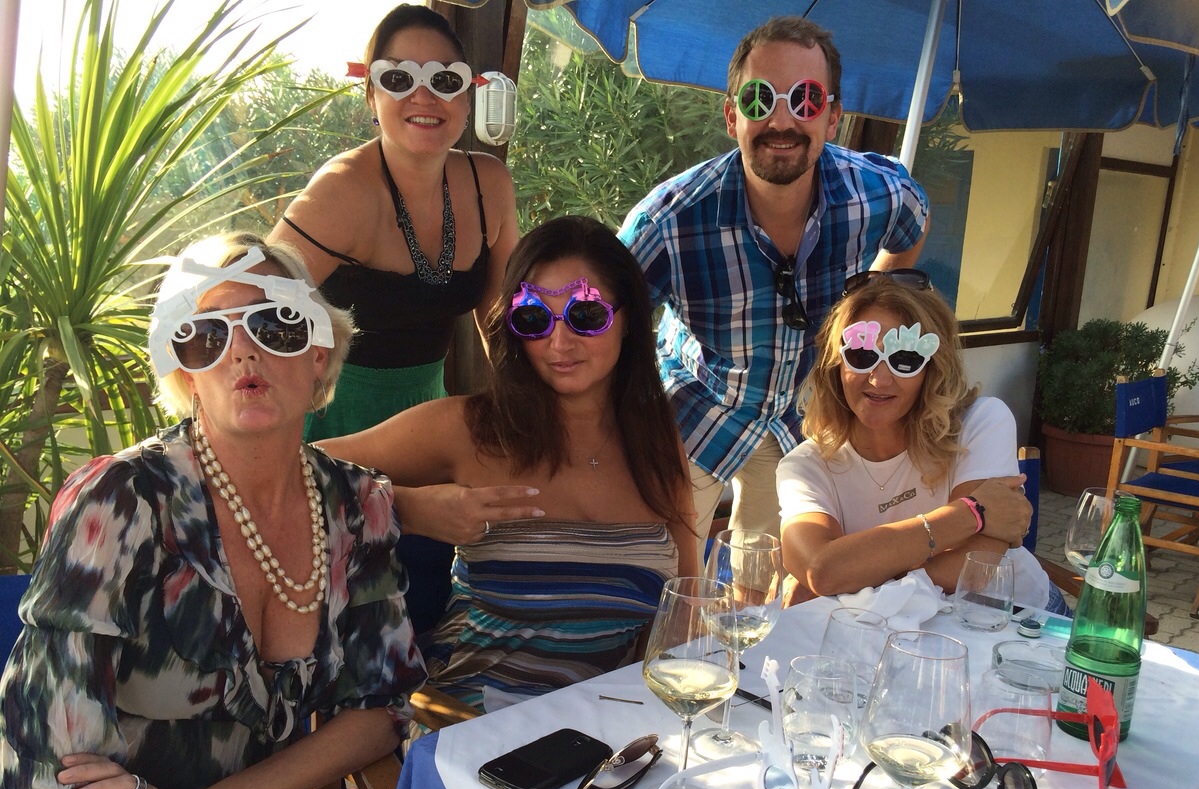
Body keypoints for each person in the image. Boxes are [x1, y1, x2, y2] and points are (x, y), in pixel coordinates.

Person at [0, 234, 428, 789]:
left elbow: (377, 713)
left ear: (320, 353)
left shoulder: (358, 505)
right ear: (184, 372)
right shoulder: (120, 501)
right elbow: (45, 783)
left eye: (276, 324)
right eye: (204, 335)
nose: (243, 352)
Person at [322, 216, 697, 713]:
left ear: (628, 318)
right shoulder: (470, 428)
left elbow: (684, 611)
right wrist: (405, 508)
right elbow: (289, 468)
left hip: (615, 736)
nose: (559, 344)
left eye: (585, 315)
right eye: (535, 318)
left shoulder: (656, 437)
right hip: (475, 726)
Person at [619, 15, 930, 543]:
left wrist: (869, 299)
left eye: (806, 100)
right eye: (760, 100)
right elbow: (602, 325)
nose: (782, 121)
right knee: (661, 577)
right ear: (730, 116)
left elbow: (912, 223)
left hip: (797, 418)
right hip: (693, 415)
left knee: (761, 589)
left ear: (833, 118)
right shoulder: (669, 221)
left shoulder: (876, 193)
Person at [268, 4, 525, 632]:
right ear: (370, 92)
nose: (423, 96)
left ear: (468, 95)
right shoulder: (342, 190)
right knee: (330, 629)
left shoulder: (488, 182)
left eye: (444, 79)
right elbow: (252, 311)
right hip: (330, 431)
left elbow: (505, 319)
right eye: (398, 77)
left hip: (429, 425)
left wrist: (536, 412)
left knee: (418, 619)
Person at [775, 270, 1063, 614]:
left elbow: (975, 567)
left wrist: (852, 577)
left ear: (932, 368)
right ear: (835, 364)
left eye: (905, 359)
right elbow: (821, 570)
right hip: (892, 628)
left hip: (1018, 618)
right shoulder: (804, 466)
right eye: (863, 355)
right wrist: (973, 513)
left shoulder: (982, 421)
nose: (879, 379)